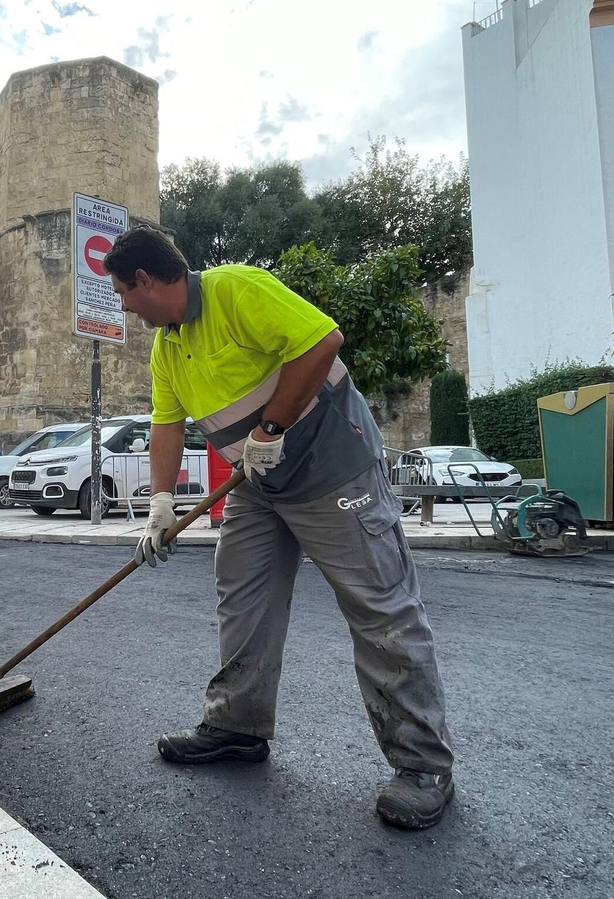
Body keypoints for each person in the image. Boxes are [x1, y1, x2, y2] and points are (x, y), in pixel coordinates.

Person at [102, 227, 455, 829]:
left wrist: (269, 428)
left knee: (380, 611)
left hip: (333, 472)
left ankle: (424, 765)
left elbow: (321, 342)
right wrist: (161, 503)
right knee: (243, 601)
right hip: (258, 486)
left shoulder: (236, 289)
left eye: (124, 293)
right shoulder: (168, 348)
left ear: (146, 279)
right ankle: (236, 726)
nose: (125, 306)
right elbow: (166, 426)